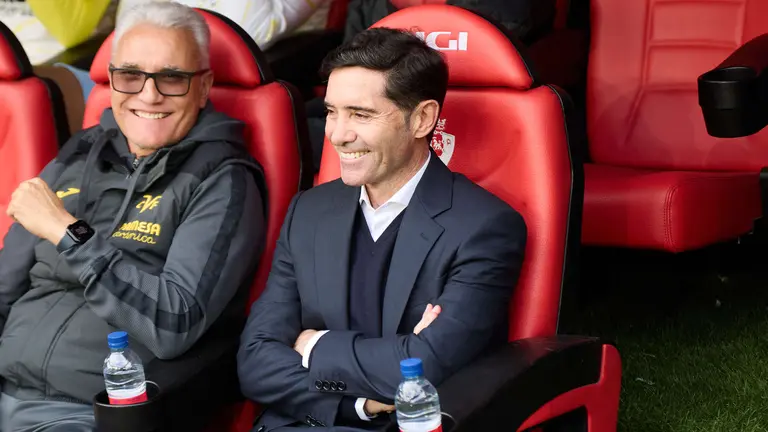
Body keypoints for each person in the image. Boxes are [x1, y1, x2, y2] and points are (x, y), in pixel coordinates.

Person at [237, 27, 526, 431]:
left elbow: (425, 369)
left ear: (422, 118)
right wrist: (364, 404)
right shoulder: (309, 210)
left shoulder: (485, 228)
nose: (337, 134)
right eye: (332, 112)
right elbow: (254, 361)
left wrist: (312, 344)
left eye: (360, 114)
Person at [0, 2, 266, 430]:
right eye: (130, 76)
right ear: (111, 81)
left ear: (203, 86)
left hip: (90, 411)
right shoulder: (79, 155)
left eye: (172, 78)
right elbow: (4, 285)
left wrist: (70, 234)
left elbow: (174, 322)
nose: (149, 94)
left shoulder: (223, 179)